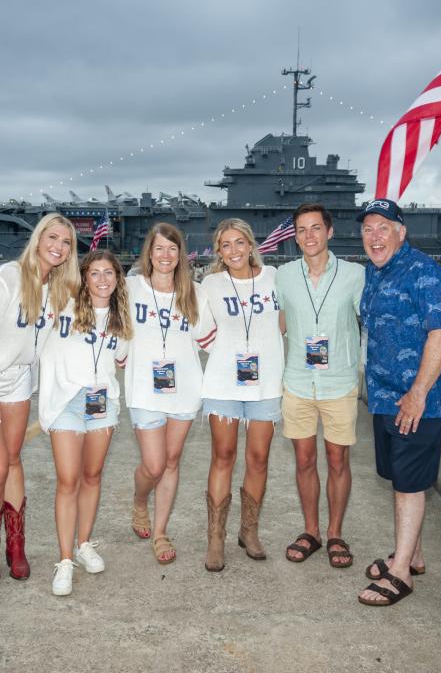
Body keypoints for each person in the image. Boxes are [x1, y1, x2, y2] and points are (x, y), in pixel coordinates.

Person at [0, 213, 79, 584]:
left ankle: (16, 545)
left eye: (66, 242)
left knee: (13, 460)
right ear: (38, 239)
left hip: (18, 380)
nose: (58, 246)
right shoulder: (8, 277)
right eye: (52, 237)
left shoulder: (58, 287)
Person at [356, 199, 441, 607]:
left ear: (402, 231)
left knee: (409, 484)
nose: (374, 236)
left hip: (418, 401)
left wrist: (417, 394)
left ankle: (401, 575)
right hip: (383, 394)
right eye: (367, 229)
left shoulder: (425, 273)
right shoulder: (374, 274)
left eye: (383, 227)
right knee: (399, 477)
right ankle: (411, 555)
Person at [275, 203, 365, 568]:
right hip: (297, 380)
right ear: (294, 236)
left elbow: (372, 319)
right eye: (301, 229)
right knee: (304, 459)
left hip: (339, 381)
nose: (309, 236)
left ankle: (335, 533)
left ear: (329, 232)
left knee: (338, 459)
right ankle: (311, 531)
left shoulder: (355, 275)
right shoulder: (282, 275)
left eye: (315, 228)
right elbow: (278, 321)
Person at [39, 250, 132, 596]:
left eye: (109, 273)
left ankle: (84, 544)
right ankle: (64, 560)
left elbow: (119, 359)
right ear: (84, 277)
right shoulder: (63, 305)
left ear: (117, 279)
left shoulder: (121, 318)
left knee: (92, 476)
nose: (103, 279)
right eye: (95, 273)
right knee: (68, 480)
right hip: (65, 402)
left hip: (101, 403)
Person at [125, 223, 215, 564]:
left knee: (172, 461)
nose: (165, 255)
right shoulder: (130, 287)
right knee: (154, 464)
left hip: (185, 387)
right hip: (143, 389)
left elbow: (210, 340)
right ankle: (138, 500)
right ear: (149, 252)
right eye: (159, 248)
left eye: (172, 249)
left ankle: (160, 532)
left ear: (181, 255)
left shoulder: (195, 292)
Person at [200, 219, 284, 572]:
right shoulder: (211, 284)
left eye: (239, 243)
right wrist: (229, 348)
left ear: (251, 245)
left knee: (259, 457)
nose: (233, 251)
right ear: (218, 252)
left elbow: (284, 322)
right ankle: (216, 537)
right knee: (223, 455)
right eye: (225, 245)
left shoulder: (274, 278)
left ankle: (249, 531)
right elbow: (202, 333)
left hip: (265, 383)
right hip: (223, 382)